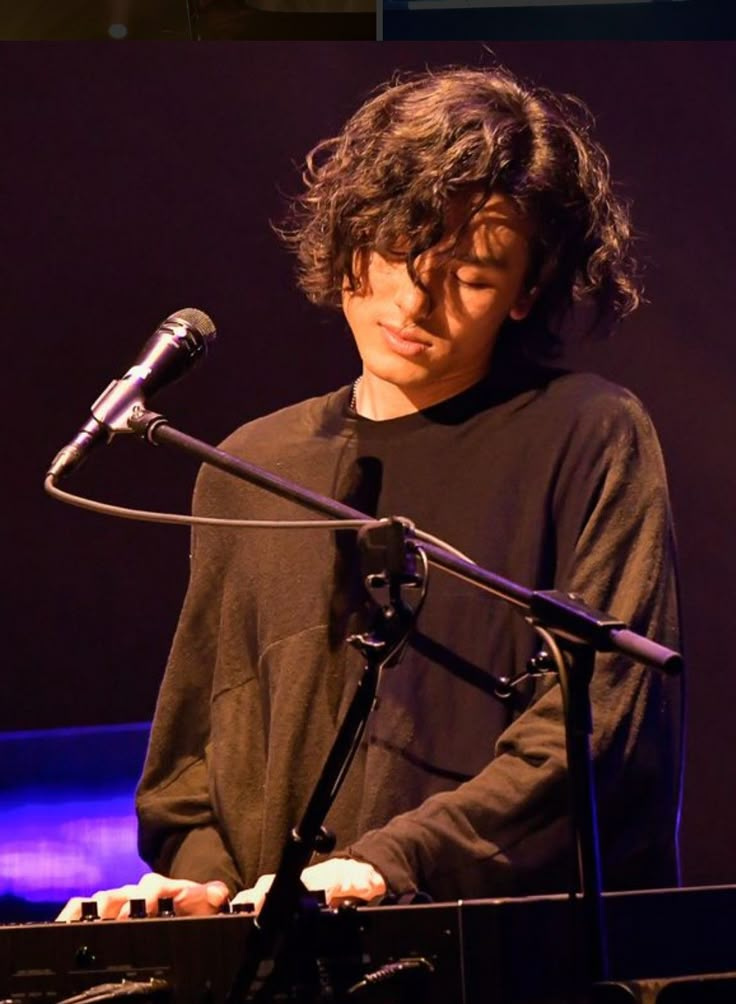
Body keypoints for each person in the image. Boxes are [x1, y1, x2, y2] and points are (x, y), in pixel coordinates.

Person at [58, 64, 682, 922]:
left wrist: (393, 862)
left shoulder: (588, 433)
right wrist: (202, 884)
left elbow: (602, 724)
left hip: (504, 950)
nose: (414, 300)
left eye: (470, 275)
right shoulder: (251, 462)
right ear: (350, 233)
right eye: (396, 250)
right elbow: (190, 762)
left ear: (527, 292)